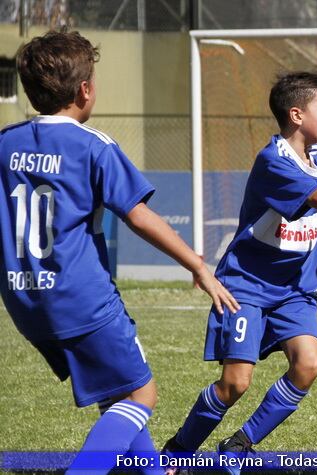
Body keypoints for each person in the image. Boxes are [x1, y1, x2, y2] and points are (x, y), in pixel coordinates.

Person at [0, 30, 238, 474]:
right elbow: (139, 216)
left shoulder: (5, 143)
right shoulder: (94, 146)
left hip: (25, 299)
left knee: (117, 393)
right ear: (85, 90)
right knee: (141, 395)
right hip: (81, 297)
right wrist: (199, 266)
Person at [160, 71, 317, 475]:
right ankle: (176, 453)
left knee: (309, 364)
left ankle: (239, 446)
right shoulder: (273, 161)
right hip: (246, 288)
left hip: (295, 291)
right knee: (235, 383)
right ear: (297, 114)